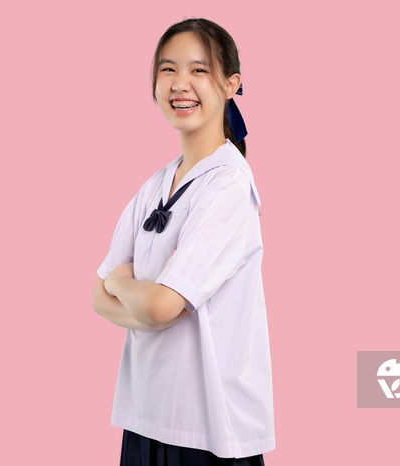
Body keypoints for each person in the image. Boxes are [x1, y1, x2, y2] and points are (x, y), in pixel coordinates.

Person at [92, 17, 274, 466]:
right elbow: (97, 297)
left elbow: (158, 307)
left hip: (207, 432)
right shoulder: (155, 185)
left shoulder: (229, 185)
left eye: (199, 69)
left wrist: (126, 283)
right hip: (146, 417)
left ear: (232, 84)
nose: (180, 83)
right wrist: (141, 295)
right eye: (168, 69)